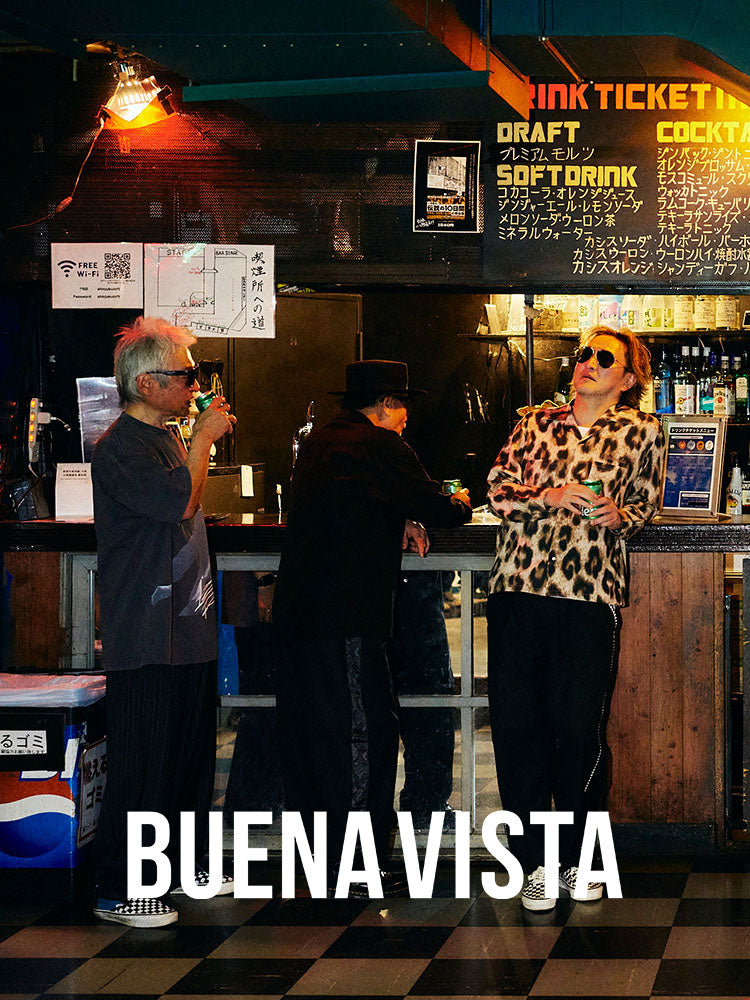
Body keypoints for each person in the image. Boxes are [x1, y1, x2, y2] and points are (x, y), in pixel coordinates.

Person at [272, 360, 472, 894]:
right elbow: (441, 509)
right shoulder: (380, 445)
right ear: (384, 404)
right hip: (347, 617)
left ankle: (320, 865)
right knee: (363, 735)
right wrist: (458, 501)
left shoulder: (320, 441)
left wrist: (395, 519)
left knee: (315, 739)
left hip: (300, 615)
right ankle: (357, 869)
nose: (407, 417)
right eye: (402, 405)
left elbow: (350, 504)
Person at [485, 326, 666, 912]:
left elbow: (646, 505)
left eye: (603, 357)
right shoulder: (534, 423)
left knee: (579, 730)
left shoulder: (643, 430)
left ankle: (581, 861)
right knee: (519, 729)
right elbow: (497, 490)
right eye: (584, 353)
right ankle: (534, 864)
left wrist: (620, 515)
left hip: (589, 596)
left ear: (627, 377)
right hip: (519, 589)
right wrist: (549, 496)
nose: (587, 362)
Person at [91, 316, 236, 927]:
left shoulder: (164, 437)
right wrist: (202, 440)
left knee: (187, 759)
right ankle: (119, 887)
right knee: (144, 761)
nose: (194, 386)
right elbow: (180, 502)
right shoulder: (120, 446)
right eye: (185, 376)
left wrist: (194, 441)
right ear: (145, 383)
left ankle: (174, 868)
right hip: (146, 631)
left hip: (186, 626)